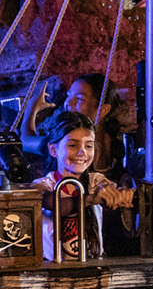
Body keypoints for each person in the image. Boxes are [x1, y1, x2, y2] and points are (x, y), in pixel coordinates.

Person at [30, 110, 136, 260]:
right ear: (53, 150)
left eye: (89, 146)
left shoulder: (95, 181)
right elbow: (52, 202)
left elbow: (106, 190)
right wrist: (92, 199)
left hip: (91, 267)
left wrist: (120, 195)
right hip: (52, 270)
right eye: (73, 145)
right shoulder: (43, 184)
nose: (82, 153)